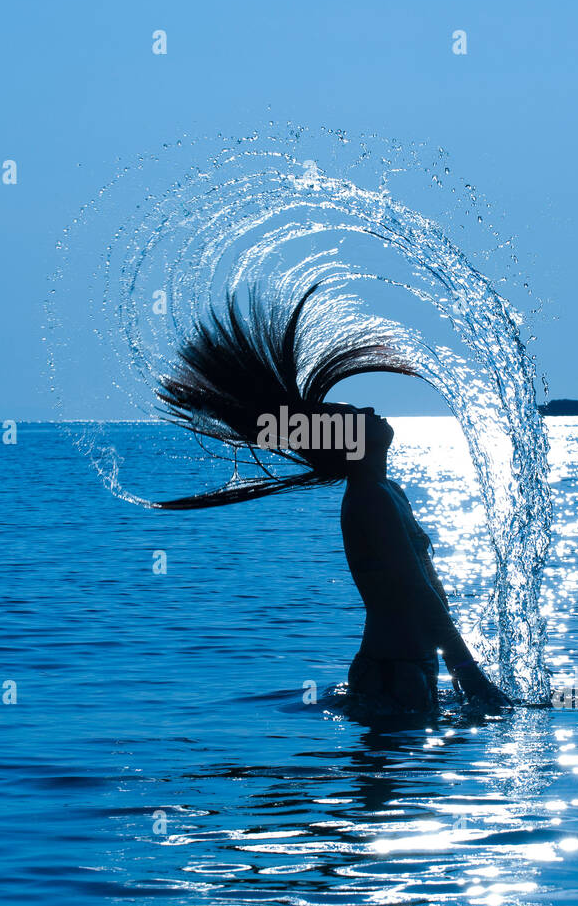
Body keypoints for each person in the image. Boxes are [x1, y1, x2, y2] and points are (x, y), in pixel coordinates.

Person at [155, 281, 510, 713]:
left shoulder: (388, 492)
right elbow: (417, 594)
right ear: (348, 442)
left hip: (408, 666)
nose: (369, 411)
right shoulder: (370, 499)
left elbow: (426, 591)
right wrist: (470, 675)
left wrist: (456, 667)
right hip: (392, 671)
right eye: (355, 415)